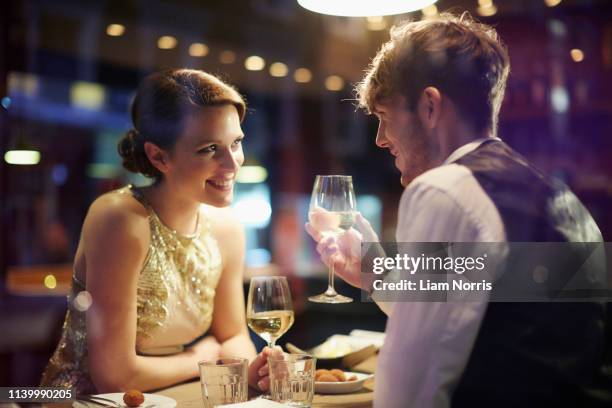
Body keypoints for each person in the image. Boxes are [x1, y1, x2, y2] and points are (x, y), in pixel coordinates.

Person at [307, 12, 611, 408]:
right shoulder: (558, 198)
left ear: (430, 107)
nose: (381, 139)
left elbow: (409, 385)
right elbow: (465, 313)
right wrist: (375, 272)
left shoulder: (446, 190)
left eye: (385, 118)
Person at [41, 69, 278, 393]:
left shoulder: (226, 228)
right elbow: (115, 376)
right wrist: (201, 358)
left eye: (235, 142)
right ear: (158, 156)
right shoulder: (119, 220)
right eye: (210, 148)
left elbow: (232, 336)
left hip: (171, 395)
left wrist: (252, 369)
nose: (232, 163)